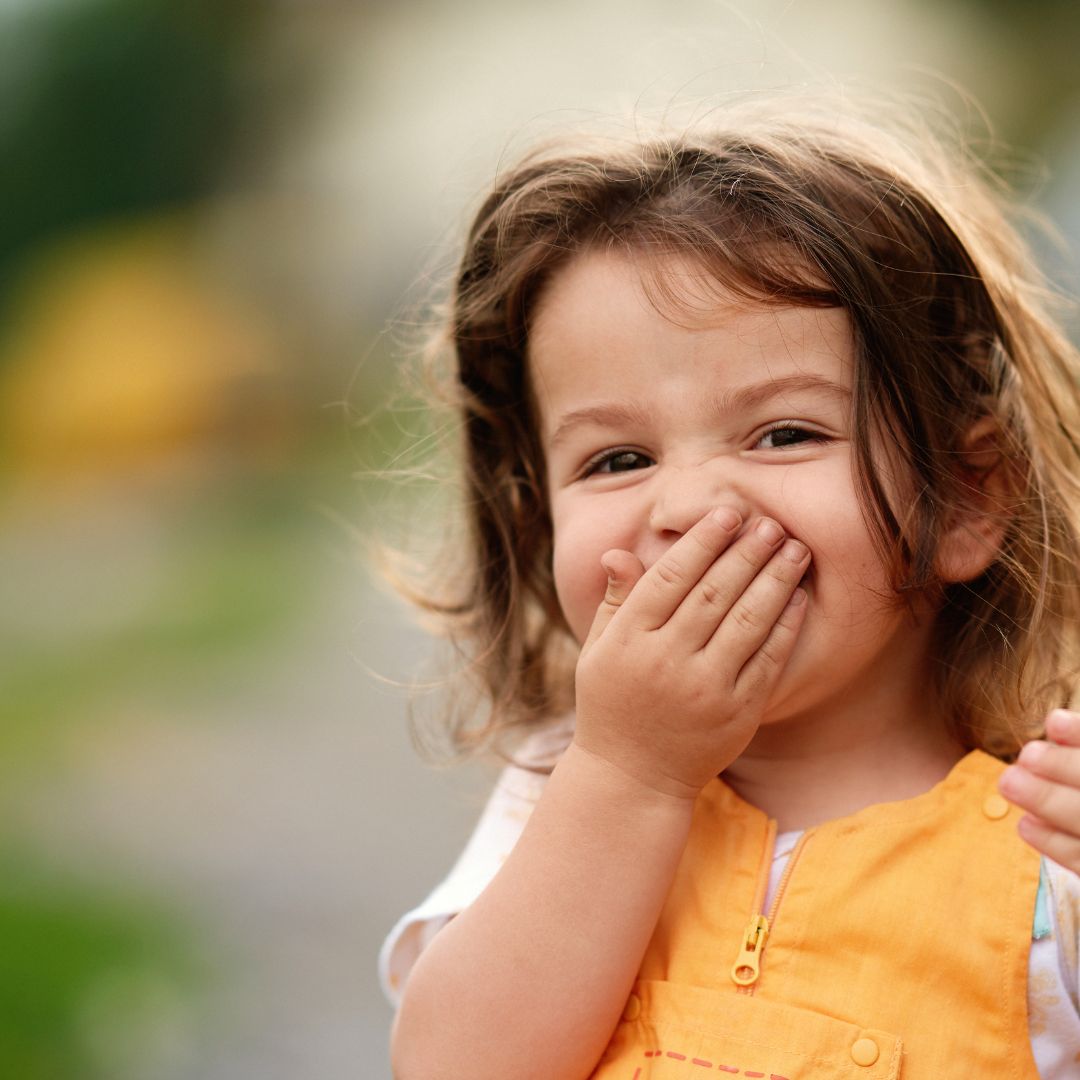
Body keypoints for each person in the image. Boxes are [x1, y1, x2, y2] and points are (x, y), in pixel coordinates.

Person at [378, 92, 1080, 1078]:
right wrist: (630, 777)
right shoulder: (561, 797)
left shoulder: (1050, 853)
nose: (688, 504)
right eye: (617, 459)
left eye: (785, 433)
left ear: (964, 499)